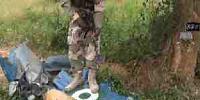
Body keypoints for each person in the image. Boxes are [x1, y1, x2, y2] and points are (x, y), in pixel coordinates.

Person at [60, 0, 104, 93]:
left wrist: (98, 24)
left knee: (94, 49)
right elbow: (64, 2)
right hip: (76, 16)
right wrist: (74, 15)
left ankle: (92, 78)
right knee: (74, 49)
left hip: (92, 17)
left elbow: (99, 4)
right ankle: (78, 77)